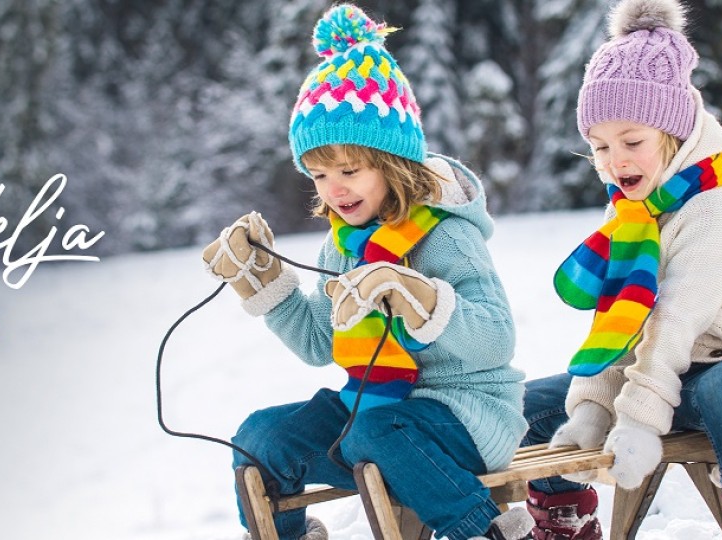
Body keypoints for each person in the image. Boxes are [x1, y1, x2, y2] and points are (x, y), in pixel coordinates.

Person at [200, 5, 532, 540]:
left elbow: (496, 339)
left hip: (466, 414)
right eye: (320, 174)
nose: (334, 189)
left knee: (377, 432)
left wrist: (420, 298)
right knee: (262, 437)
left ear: (393, 161)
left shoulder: (445, 235)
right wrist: (263, 282)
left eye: (349, 170)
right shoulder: (344, 246)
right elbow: (319, 342)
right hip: (370, 415)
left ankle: (483, 530)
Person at [520, 1, 722, 539]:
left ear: (674, 133)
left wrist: (634, 423)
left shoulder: (715, 208)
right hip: (654, 372)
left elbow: (672, 322)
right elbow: (620, 326)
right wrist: (590, 410)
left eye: (631, 142)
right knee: (529, 406)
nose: (615, 161)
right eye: (600, 148)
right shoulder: (631, 211)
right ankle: (567, 518)